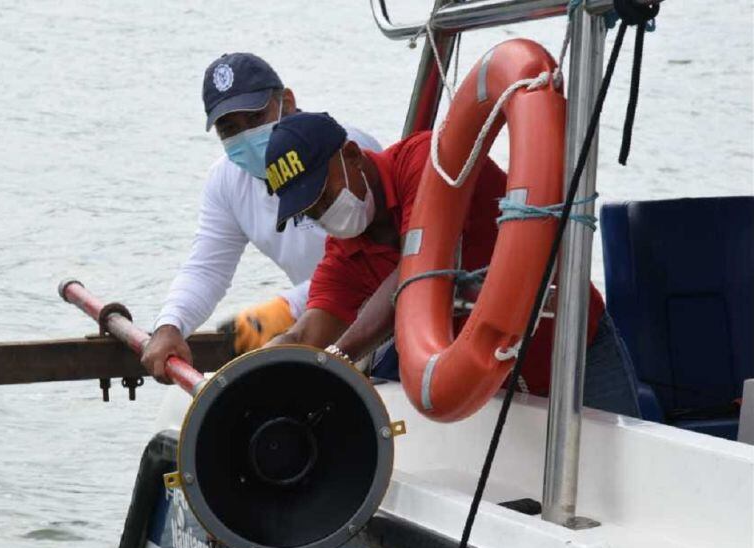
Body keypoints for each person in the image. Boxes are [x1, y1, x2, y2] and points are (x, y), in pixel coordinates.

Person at [264, 112, 640, 416]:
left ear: (351, 154)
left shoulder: (429, 160)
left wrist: (339, 357)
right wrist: (255, 373)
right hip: (489, 383)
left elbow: (418, 271)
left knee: (622, 475)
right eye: (310, 211)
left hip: (576, 350)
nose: (323, 213)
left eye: (323, 196)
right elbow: (304, 335)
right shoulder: (344, 253)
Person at [140, 53, 380, 383]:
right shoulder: (225, 181)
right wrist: (170, 325)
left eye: (255, 118)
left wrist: (285, 308)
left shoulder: (340, 146)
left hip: (386, 320)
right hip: (320, 327)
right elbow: (207, 268)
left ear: (287, 102)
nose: (247, 136)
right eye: (230, 129)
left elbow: (377, 259)